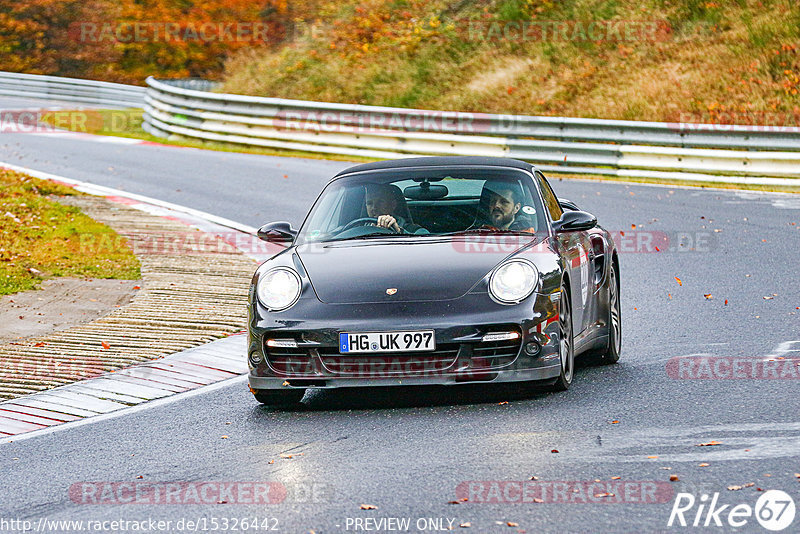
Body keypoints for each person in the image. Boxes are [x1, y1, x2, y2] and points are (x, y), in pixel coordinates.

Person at [364, 183, 429, 234]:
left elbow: (426, 239)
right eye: (369, 203)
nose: (374, 207)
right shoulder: (359, 229)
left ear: (393, 205)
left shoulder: (411, 229)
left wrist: (399, 231)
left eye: (380, 202)